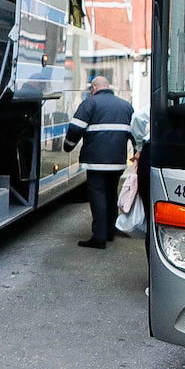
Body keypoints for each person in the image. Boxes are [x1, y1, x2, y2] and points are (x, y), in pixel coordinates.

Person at [63, 75, 135, 249]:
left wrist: (68, 146)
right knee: (111, 194)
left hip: (95, 161)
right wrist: (137, 151)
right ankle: (110, 231)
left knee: (98, 195)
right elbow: (136, 132)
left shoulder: (90, 104)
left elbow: (75, 128)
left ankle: (99, 237)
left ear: (94, 88)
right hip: (117, 161)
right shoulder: (126, 106)